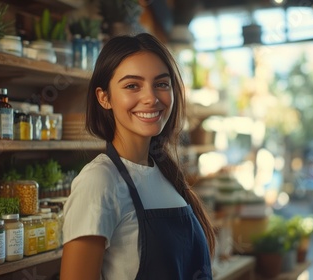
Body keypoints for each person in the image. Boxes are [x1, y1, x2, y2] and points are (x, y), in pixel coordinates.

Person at [60, 33, 215, 280]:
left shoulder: (166, 174)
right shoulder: (99, 181)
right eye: (132, 85)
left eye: (161, 84)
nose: (151, 98)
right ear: (104, 97)